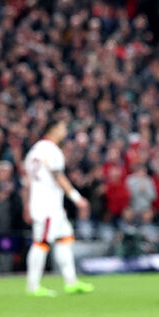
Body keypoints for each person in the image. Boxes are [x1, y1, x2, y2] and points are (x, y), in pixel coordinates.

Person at [22, 117, 94, 297]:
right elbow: (58, 176)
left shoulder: (35, 150)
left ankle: (71, 282)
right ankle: (33, 286)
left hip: (49, 204)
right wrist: (77, 198)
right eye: (62, 127)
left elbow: (28, 179)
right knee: (41, 242)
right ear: (52, 129)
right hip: (47, 205)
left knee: (64, 239)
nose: (65, 131)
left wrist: (27, 203)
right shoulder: (51, 150)